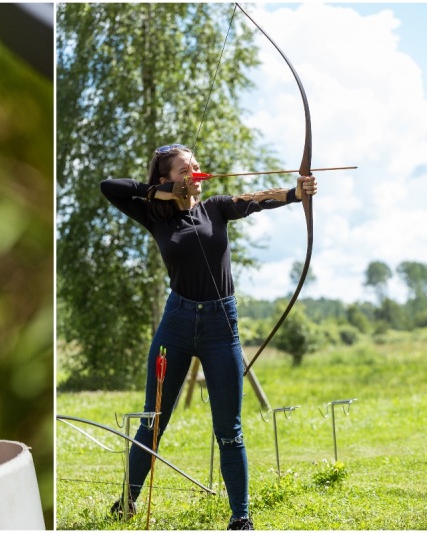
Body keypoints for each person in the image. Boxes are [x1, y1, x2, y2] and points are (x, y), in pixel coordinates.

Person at [99, 144, 318, 530]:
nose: (196, 172)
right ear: (167, 178)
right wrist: (158, 194)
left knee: (229, 430)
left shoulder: (215, 206)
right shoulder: (155, 215)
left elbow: (253, 199)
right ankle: (127, 503)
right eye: (186, 169)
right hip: (177, 324)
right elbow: (109, 186)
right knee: (153, 421)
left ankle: (241, 517)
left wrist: (294, 193)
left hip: (221, 326)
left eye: (197, 166)